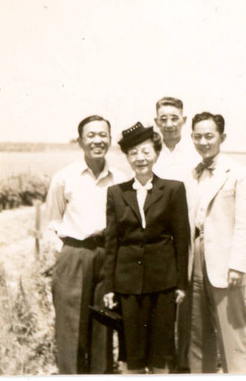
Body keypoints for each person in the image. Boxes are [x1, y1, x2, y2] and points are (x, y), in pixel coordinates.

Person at [103, 122, 190, 374]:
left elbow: (181, 239)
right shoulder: (115, 193)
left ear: (156, 153)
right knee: (132, 351)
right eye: (133, 153)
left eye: (145, 151)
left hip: (163, 282)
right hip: (128, 284)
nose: (140, 158)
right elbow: (112, 243)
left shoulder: (174, 189)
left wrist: (180, 283)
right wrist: (109, 286)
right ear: (127, 158)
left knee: (160, 351)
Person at [46, 115, 127, 374]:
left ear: (110, 140)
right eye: (91, 135)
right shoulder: (64, 177)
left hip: (107, 254)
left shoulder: (121, 178)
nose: (97, 140)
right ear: (80, 141)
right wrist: (65, 253)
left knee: (103, 324)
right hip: (74, 254)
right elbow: (53, 220)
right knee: (71, 326)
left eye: (103, 135)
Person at [188, 111, 246, 373]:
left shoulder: (240, 174)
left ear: (222, 137)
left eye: (209, 136)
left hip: (226, 263)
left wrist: (238, 265)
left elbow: (245, 223)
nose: (203, 142)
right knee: (199, 332)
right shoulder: (194, 174)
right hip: (196, 257)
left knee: (233, 335)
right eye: (197, 136)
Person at [153, 96, 198, 372]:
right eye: (163, 119)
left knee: (189, 304)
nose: (169, 124)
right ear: (156, 122)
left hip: (190, 237)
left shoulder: (195, 154)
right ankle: (163, 363)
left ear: (184, 119)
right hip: (159, 242)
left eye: (174, 118)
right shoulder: (151, 153)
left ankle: (187, 364)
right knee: (162, 304)